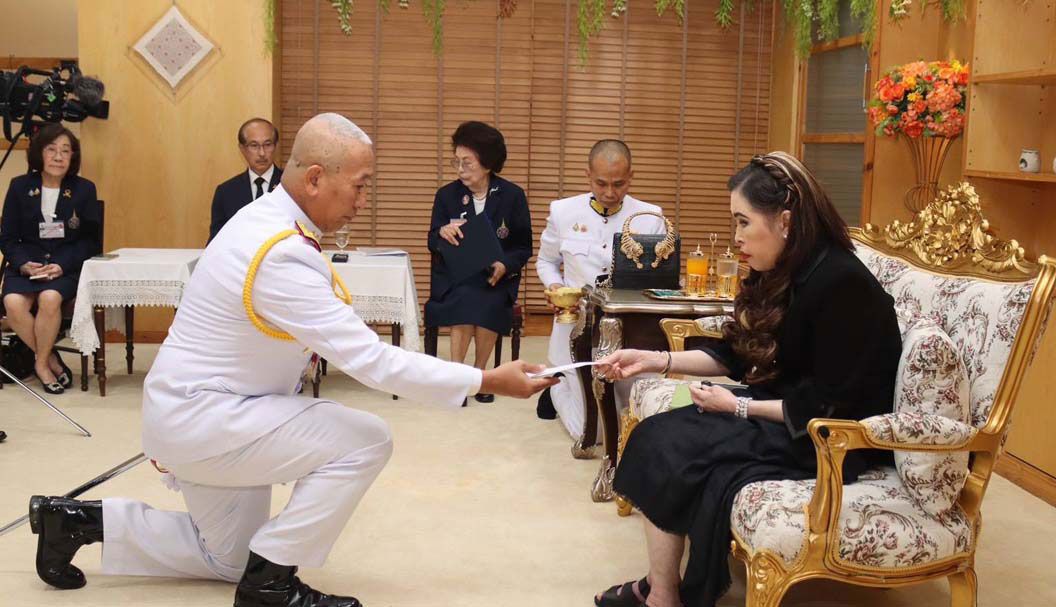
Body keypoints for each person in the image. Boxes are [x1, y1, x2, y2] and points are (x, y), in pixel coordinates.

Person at [26, 113, 557, 607]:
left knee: (228, 558)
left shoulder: (266, 218)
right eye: (360, 184)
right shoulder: (279, 250)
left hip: (202, 413)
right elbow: (370, 361)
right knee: (366, 439)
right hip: (208, 418)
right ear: (316, 179)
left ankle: (74, 521)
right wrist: (485, 378)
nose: (364, 199)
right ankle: (271, 582)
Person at [592, 152, 901, 607]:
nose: (736, 238)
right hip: (787, 412)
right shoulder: (787, 270)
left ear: (786, 221)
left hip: (831, 440)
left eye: (743, 222)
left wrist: (736, 406)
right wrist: (652, 359)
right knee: (661, 436)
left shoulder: (842, 284)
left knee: (669, 440)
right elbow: (736, 353)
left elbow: (828, 406)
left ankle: (662, 596)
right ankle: (663, 591)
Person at [534, 140, 664, 438]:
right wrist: (555, 286)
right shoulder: (563, 212)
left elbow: (659, 278)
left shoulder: (650, 218)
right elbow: (546, 262)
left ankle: (564, 385)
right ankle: (559, 386)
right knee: (592, 432)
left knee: (628, 420)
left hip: (628, 330)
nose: (609, 192)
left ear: (631, 176)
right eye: (601, 183)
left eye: (619, 184)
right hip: (577, 328)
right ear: (587, 176)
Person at [425, 121, 532, 405]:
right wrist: (440, 233)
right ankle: (458, 378)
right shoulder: (446, 195)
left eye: (467, 162)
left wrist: (505, 265)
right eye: (456, 161)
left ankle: (481, 375)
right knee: (465, 296)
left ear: (487, 164)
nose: (459, 168)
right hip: (456, 278)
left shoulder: (512, 196)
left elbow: (524, 247)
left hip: (495, 278)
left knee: (488, 299)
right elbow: (431, 240)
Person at [0, 124, 102, 394]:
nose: (59, 157)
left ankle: (42, 366)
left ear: (73, 157)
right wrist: (22, 263)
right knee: (12, 302)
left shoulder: (83, 189)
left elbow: (91, 241)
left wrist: (62, 265)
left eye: (65, 151)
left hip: (64, 267)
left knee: (49, 298)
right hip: (27, 266)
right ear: (39, 154)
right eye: (52, 149)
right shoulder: (20, 187)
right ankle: (50, 358)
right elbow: (8, 237)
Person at [208, 117, 283, 242]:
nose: (262, 153)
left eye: (267, 144)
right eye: (254, 146)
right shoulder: (226, 192)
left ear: (276, 146)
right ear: (242, 149)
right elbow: (216, 242)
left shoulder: (291, 187)